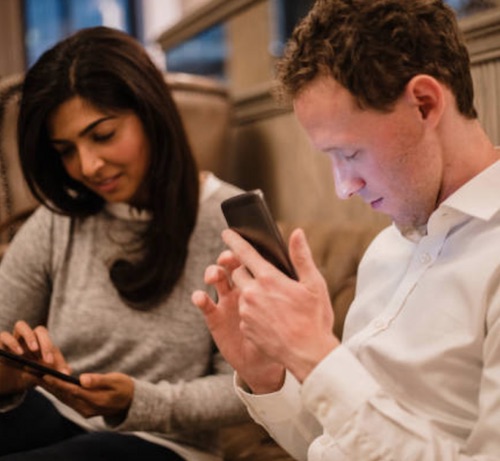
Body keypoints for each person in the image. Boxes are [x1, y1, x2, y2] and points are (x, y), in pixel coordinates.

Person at [192, 0, 500, 459]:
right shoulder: (385, 249)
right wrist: (270, 375)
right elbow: (331, 444)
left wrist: (315, 355)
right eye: (330, 159)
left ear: (425, 102)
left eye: (350, 154)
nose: (343, 187)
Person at [0, 26, 247, 461]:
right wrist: (10, 376)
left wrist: (138, 401)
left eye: (102, 135)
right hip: (52, 413)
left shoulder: (233, 220)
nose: (87, 167)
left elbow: (251, 386)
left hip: (164, 443)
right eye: (65, 150)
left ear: (151, 114)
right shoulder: (58, 221)